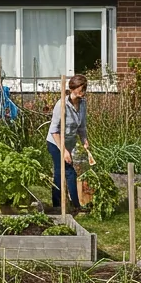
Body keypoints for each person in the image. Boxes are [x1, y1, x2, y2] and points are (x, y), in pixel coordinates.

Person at [47, 74, 96, 212]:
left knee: (60, 173)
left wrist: (84, 140)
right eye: (81, 89)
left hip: (69, 144)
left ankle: (59, 204)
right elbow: (54, 131)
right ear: (72, 88)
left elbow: (82, 127)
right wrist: (63, 151)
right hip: (55, 143)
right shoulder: (61, 104)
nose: (83, 92)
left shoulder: (82, 104)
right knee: (68, 172)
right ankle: (75, 206)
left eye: (85, 88)